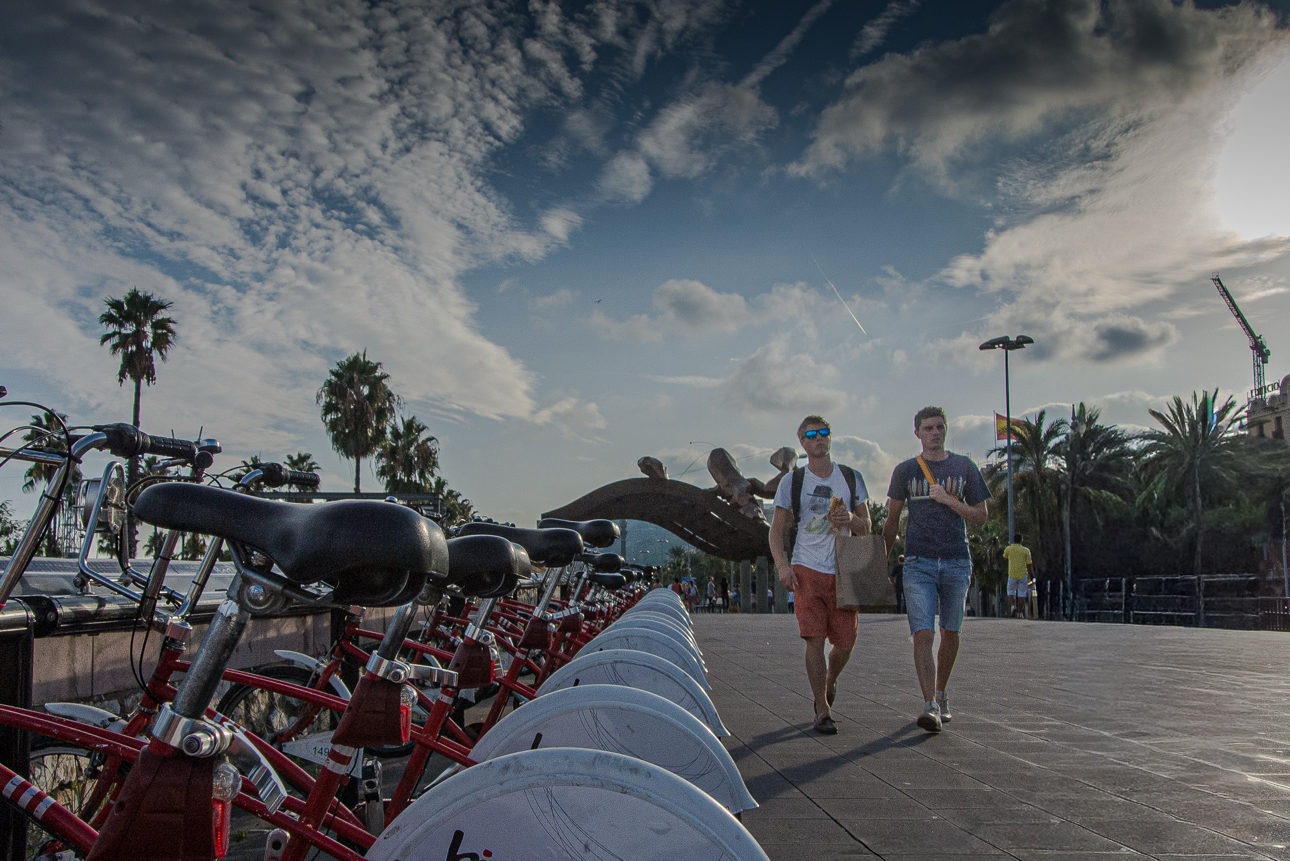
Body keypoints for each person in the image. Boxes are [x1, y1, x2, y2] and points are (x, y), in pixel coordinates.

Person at [883, 406, 989, 734]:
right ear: (917, 433)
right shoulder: (904, 471)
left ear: (946, 429)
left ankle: (942, 694)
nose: (935, 433)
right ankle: (929, 704)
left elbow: (981, 516)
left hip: (957, 560)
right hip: (918, 562)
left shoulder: (964, 467)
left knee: (952, 631)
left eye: (940, 427)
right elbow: (892, 520)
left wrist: (948, 500)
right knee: (923, 632)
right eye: (928, 428)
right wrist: (880, 562)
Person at [770, 415, 871, 735]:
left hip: (844, 569)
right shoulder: (793, 482)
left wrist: (851, 518)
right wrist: (783, 567)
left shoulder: (851, 478)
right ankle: (821, 707)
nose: (818, 439)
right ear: (801, 442)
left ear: (830, 437)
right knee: (813, 639)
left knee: (845, 641)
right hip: (806, 568)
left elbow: (866, 527)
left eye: (823, 433)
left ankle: (830, 679)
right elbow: (776, 531)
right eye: (811, 435)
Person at [1003, 536, 1035, 619]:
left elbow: (1005, 556)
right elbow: (1029, 564)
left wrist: (1010, 547)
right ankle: (1020, 613)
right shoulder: (1026, 550)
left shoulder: (1009, 549)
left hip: (1012, 574)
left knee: (1011, 591)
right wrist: (1031, 574)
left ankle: (1013, 606)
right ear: (1021, 540)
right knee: (1022, 594)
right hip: (1023, 575)